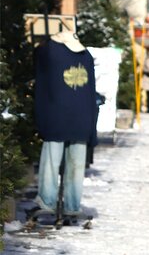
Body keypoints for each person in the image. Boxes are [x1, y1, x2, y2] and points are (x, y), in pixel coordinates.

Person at [33, 31, 99, 216]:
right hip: (83, 119)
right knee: (76, 166)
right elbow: (91, 91)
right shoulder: (86, 56)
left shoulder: (50, 52)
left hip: (56, 118)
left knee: (51, 164)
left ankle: (47, 202)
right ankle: (72, 205)